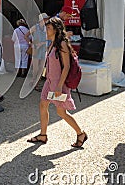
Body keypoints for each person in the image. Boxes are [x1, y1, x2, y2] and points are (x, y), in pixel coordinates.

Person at [27, 17, 87, 148]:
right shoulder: (52, 43)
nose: (46, 30)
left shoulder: (62, 44)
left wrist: (60, 86)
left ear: (56, 29)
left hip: (58, 84)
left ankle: (80, 133)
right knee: (43, 105)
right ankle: (43, 135)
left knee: (61, 112)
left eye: (48, 28)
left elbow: (66, 67)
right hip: (49, 82)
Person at [25, 13, 49, 90]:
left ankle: (36, 83)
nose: (47, 20)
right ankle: (34, 82)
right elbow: (26, 35)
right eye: (46, 19)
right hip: (36, 49)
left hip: (44, 49)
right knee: (35, 68)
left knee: (42, 68)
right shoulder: (35, 27)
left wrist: (43, 43)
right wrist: (30, 43)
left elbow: (49, 39)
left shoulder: (47, 28)